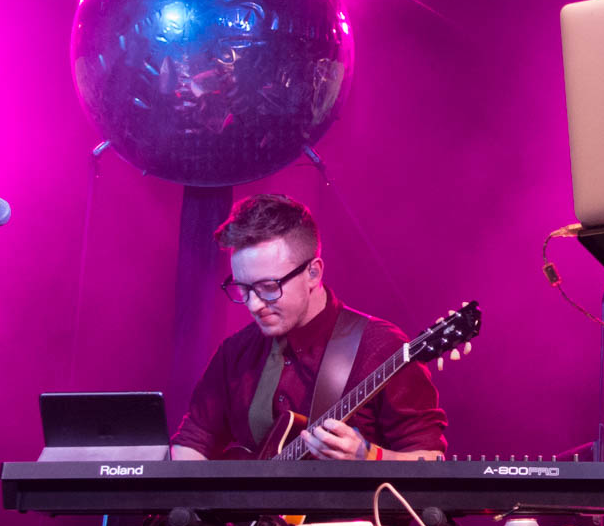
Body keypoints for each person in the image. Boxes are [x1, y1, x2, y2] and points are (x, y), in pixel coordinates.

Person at [169, 193, 447, 462]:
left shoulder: (380, 347)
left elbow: (431, 459)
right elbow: (193, 443)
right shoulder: (235, 353)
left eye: (268, 287)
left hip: (347, 510)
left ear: (313, 272)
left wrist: (370, 456)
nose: (253, 305)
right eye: (243, 288)